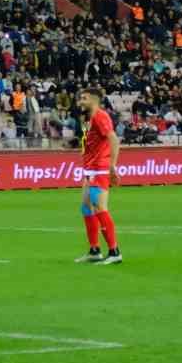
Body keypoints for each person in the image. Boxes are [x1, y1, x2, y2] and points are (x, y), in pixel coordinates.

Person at [75, 87, 123, 265]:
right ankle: (94, 250)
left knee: (100, 208)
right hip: (89, 169)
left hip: (99, 168)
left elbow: (113, 139)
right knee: (86, 208)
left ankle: (114, 251)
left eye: (84, 98)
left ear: (94, 100)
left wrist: (112, 166)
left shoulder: (100, 116)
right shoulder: (86, 118)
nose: (80, 101)